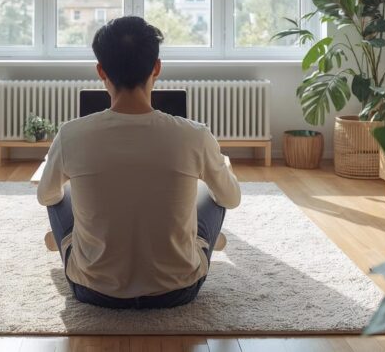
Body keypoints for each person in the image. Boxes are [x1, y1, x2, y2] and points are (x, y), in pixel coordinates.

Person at [37, 16, 241, 309]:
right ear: (156, 67)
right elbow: (231, 199)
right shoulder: (195, 135)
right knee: (212, 193)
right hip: (178, 290)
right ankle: (193, 245)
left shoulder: (71, 134)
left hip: (93, 290)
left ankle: (84, 248)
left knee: (60, 194)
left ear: (101, 70)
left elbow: (46, 196)